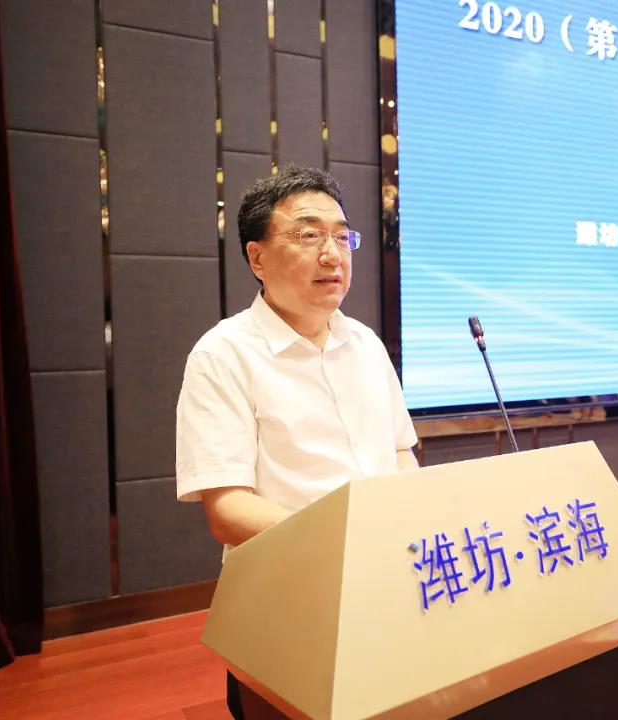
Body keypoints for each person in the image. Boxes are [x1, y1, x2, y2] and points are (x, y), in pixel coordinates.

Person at [174, 165, 418, 718]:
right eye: (309, 235)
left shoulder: (367, 345)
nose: (332, 255)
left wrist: (406, 524)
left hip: (385, 585)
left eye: (342, 237)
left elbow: (400, 452)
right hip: (287, 601)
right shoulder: (222, 355)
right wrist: (345, 540)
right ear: (257, 258)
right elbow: (227, 509)